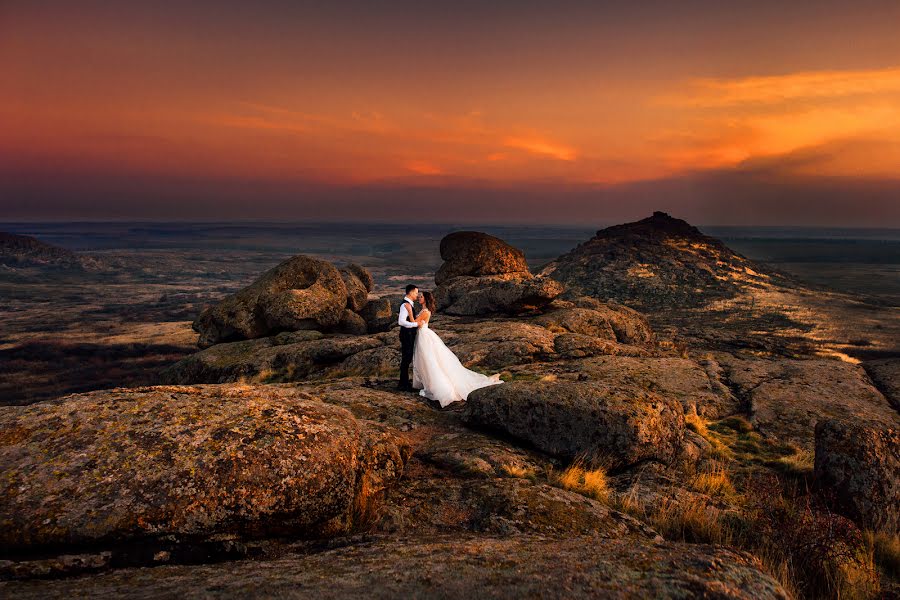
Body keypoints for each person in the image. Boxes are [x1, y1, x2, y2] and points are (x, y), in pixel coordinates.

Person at [411, 291, 503, 408]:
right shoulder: (424, 311)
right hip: (423, 335)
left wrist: (408, 311)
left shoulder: (425, 312)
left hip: (424, 336)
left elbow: (414, 322)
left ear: (426, 299)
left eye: (421, 297)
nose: (419, 298)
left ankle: (438, 386)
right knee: (426, 359)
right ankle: (427, 382)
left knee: (430, 360)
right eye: (419, 296)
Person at [396, 284, 420, 391]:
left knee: (407, 358)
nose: (417, 295)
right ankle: (403, 384)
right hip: (407, 335)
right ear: (410, 292)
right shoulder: (404, 305)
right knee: (406, 359)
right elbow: (401, 321)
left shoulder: (408, 304)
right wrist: (415, 325)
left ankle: (404, 383)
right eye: (416, 292)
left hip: (409, 335)